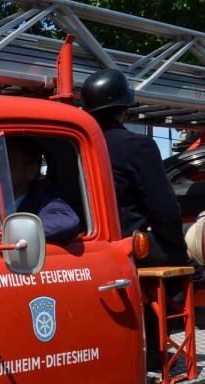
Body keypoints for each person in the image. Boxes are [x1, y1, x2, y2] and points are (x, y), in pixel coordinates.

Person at [79, 69, 190, 269]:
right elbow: (164, 211)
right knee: (194, 269)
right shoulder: (138, 145)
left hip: (83, 245)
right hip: (126, 246)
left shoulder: (75, 146)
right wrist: (180, 246)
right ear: (124, 109)